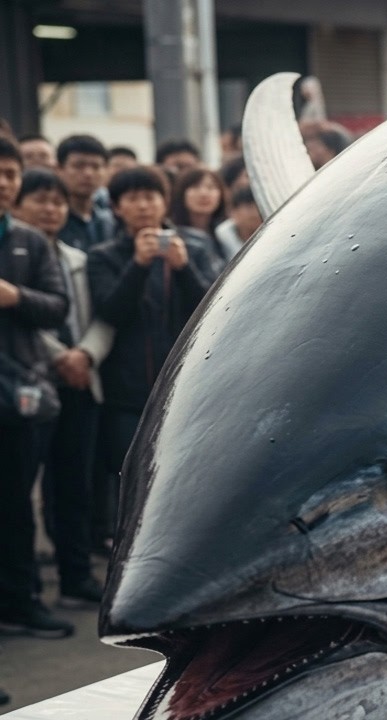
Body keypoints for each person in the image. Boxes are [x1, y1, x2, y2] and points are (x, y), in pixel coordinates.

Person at [87, 167, 214, 540]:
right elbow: (110, 311)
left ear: (164, 201)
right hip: (126, 392)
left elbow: (214, 306)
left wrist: (185, 267)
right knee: (129, 480)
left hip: (185, 389)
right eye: (133, 198)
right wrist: (138, 267)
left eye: (151, 197)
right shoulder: (104, 256)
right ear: (117, 207)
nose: (143, 206)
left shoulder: (193, 246)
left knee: (183, 477)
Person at [11, 169, 113, 606]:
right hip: (33, 382)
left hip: (81, 380)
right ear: (17, 205)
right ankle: (27, 585)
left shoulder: (78, 256)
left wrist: (85, 355)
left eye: (56, 202)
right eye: (40, 200)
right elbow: (23, 323)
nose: (50, 209)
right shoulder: (14, 253)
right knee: (25, 491)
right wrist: (60, 357)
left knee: (77, 484)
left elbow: (99, 314)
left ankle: (77, 575)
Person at [0, 136, 75, 638]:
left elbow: (57, 305)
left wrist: (14, 296)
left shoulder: (30, 240)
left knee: (16, 507)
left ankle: (20, 602)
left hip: (19, 394)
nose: (4, 183)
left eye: (9, 174)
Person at [55, 135, 116, 252]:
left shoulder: (110, 223)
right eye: (78, 166)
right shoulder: (51, 219)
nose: (88, 173)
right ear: (59, 169)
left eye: (96, 167)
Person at [169, 167, 229, 274]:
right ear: (181, 193)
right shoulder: (173, 235)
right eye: (195, 187)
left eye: (211, 187)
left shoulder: (226, 234)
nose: (204, 193)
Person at [214, 185, 262, 260]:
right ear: (233, 211)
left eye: (259, 206)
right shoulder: (219, 240)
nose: (256, 213)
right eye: (249, 207)